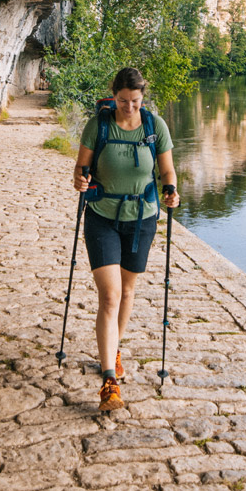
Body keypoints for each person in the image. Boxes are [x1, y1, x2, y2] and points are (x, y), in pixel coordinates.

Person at [73, 67, 180, 412]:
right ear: (114, 96)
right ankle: (109, 381)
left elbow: (166, 171)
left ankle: (114, 347)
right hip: (102, 217)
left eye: (135, 101)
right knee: (110, 295)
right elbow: (81, 168)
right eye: (123, 101)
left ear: (142, 98)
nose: (129, 107)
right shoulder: (99, 125)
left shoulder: (154, 126)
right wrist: (80, 180)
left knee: (128, 290)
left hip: (142, 219)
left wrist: (172, 191)